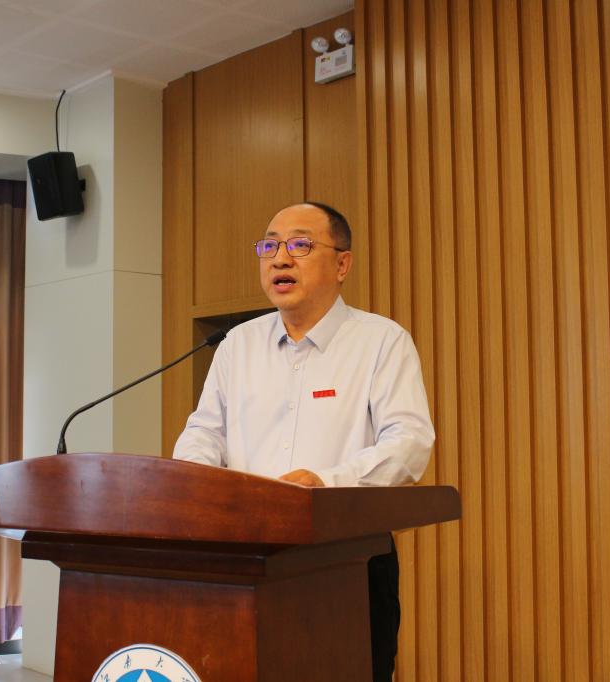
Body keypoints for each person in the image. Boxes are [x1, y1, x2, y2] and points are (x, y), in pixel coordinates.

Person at [172, 201, 434, 681]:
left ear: (342, 264)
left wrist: (325, 484)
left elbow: (409, 441)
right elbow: (204, 432)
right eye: (270, 246)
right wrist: (196, 483)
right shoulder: (236, 345)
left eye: (300, 245)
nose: (280, 259)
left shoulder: (381, 341)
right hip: (245, 557)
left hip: (348, 560)